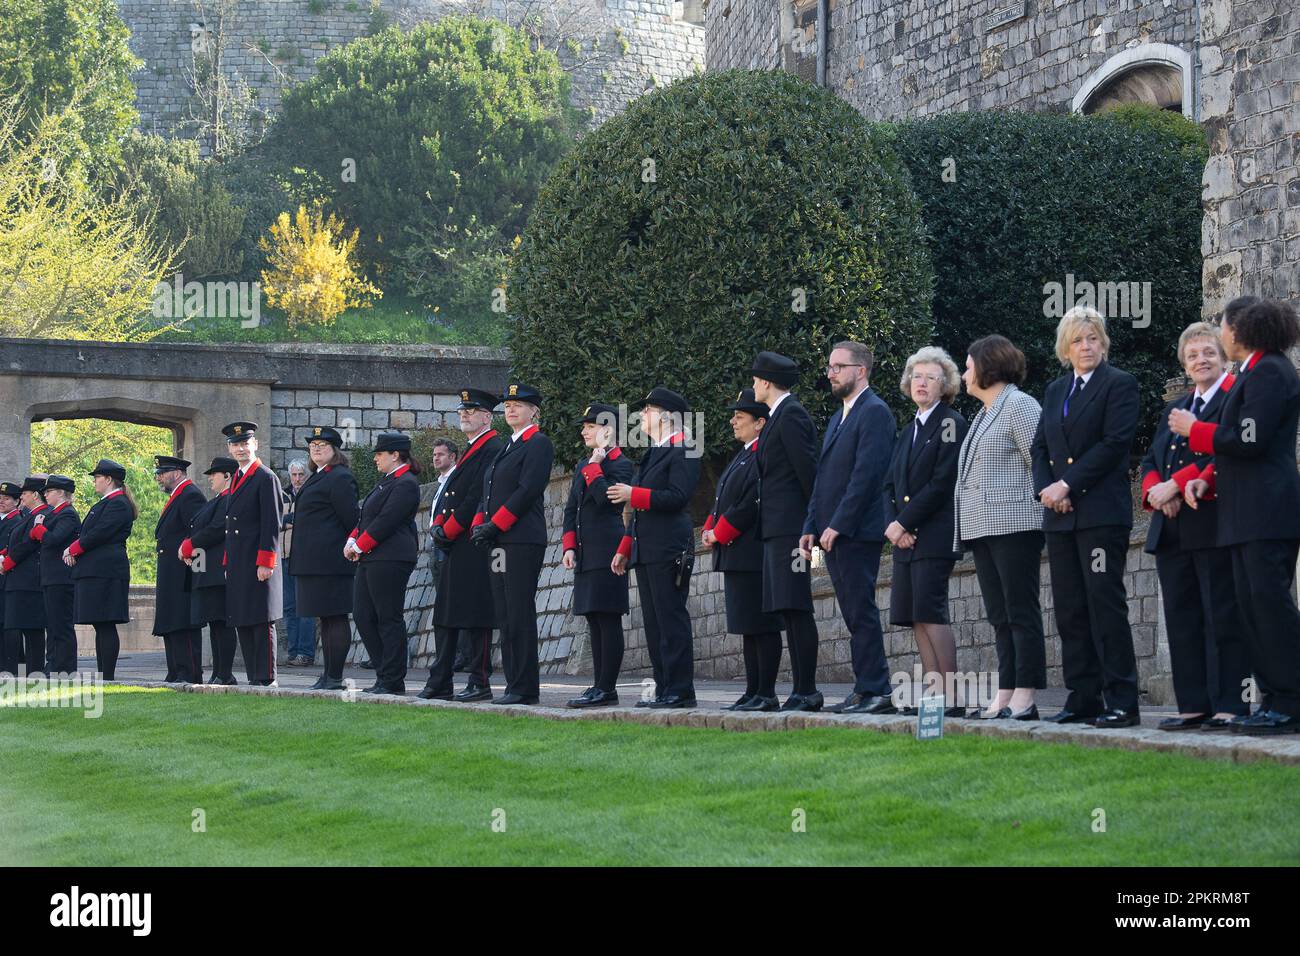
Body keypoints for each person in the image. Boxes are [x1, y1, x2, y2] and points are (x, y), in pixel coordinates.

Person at [1182, 297, 1300, 735]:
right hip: (1244, 512)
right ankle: (1274, 697)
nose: (1221, 333)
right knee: (1251, 609)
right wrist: (1207, 477)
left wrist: (1195, 431)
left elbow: (1250, 438)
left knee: (1270, 607)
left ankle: (1290, 700)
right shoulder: (1252, 371)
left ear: (1241, 329)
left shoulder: (1270, 371)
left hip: (1267, 512)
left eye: (1223, 325)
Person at [1032, 306, 1142, 728]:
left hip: (1099, 515)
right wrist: (1047, 489)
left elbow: (1114, 444)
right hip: (1059, 517)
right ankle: (1083, 697)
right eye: (1078, 340)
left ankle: (1122, 701)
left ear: (1104, 343)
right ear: (1066, 348)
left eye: (1093, 338)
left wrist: (1068, 485)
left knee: (1104, 606)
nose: (1086, 346)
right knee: (1070, 610)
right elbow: (1041, 447)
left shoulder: (1120, 384)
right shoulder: (1055, 391)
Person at [1140, 321, 1249, 731]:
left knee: (1222, 614)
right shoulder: (1174, 408)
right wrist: (1156, 493)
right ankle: (1193, 705)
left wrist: (1176, 485)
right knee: (1182, 617)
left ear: (1222, 357)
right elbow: (1152, 461)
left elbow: (1227, 454)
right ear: (1184, 364)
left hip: (1214, 520)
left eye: (1208, 352)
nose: (1200, 360)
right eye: (1192, 355)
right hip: (1171, 526)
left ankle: (1230, 705)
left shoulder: (1235, 396)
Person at [800, 343, 896, 714]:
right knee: (853, 613)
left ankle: (877, 690)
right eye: (829, 367)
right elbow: (824, 478)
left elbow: (866, 478)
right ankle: (863, 687)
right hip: (832, 532)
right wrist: (811, 524)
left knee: (861, 611)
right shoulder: (839, 416)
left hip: (857, 532)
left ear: (862, 371)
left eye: (839, 366)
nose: (831, 373)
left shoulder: (875, 412)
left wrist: (838, 524)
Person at [954, 336, 1046, 720]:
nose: (963, 373)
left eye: (968, 364)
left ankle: (1026, 693)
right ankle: (1006, 690)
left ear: (986, 365)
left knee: (1020, 610)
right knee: (999, 614)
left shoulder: (1019, 405)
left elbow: (1039, 464)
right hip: (982, 526)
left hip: (1015, 524)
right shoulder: (982, 414)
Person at [883, 347, 969, 716]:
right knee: (914, 614)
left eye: (930, 377)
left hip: (935, 535)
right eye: (917, 376)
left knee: (932, 612)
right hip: (905, 539)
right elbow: (888, 484)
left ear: (945, 385)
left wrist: (904, 522)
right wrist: (894, 526)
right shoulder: (908, 430)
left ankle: (952, 698)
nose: (921, 382)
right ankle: (934, 696)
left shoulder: (951, 422)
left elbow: (941, 483)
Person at [610, 387, 700, 708]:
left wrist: (634, 494)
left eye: (646, 410)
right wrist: (624, 546)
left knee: (670, 617)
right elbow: (638, 510)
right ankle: (664, 686)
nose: (641, 416)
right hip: (647, 547)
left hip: (669, 545)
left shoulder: (686, 447)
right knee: (653, 622)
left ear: (665, 416)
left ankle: (680, 689)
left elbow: (678, 496)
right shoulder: (654, 451)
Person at [747, 351, 823, 712]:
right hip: (775, 530)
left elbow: (808, 473)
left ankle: (806, 689)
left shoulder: (790, 416)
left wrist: (814, 526)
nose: (752, 386)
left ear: (764, 382)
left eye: (754, 380)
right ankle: (794, 689)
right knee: (784, 609)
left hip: (792, 530)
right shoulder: (778, 417)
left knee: (795, 607)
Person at [471, 384, 555, 706]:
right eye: (507, 405)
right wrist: (481, 523)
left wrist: (496, 524)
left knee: (519, 610)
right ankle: (512, 684)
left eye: (518, 404)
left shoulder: (538, 444)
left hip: (520, 539)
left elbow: (527, 490)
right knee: (504, 612)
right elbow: (488, 491)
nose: (510, 409)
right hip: (498, 541)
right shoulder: (507, 446)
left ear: (534, 410)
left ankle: (525, 687)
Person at [703, 389, 783, 711]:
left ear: (760, 422)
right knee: (747, 628)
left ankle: (767, 692)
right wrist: (710, 527)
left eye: (740, 416)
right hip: (736, 553)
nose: (733, 421)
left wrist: (719, 533)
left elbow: (749, 503)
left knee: (762, 626)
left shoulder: (761, 454)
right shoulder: (742, 454)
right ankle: (753, 690)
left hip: (752, 552)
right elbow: (723, 499)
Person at [422, 390, 503, 702]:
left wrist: (450, 528)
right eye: (462, 411)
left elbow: (475, 496)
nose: (465, 414)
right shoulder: (473, 448)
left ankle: (479, 680)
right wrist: (440, 524)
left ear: (487, 416)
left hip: (473, 539)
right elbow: (452, 493)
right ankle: (440, 677)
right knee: (446, 612)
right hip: (457, 540)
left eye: (472, 410)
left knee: (476, 612)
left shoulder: (492, 447)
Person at [562, 402, 635, 708]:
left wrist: (595, 464)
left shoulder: (620, 464)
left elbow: (605, 501)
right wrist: (568, 545)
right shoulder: (583, 465)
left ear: (607, 430)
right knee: (593, 618)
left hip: (608, 550)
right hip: (585, 551)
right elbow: (571, 509)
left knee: (608, 619)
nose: (584, 431)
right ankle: (598, 685)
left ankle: (608, 688)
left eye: (590, 427)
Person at [346, 432, 421, 695]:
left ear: (395, 455)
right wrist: (353, 538)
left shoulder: (406, 483)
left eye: (380, 454)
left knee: (387, 617)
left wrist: (360, 544)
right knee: (364, 615)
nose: (376, 458)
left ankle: (392, 678)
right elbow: (366, 516)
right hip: (373, 556)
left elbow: (387, 520)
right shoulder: (387, 482)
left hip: (391, 556)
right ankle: (383, 673)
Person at [289, 427, 359, 691]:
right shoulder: (318, 476)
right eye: (312, 445)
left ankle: (335, 676)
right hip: (314, 562)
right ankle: (328, 675)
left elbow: (351, 519)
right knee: (325, 620)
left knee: (335, 618)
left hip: (330, 562)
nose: (316, 448)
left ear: (335, 449)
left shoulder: (339, 477)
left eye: (322, 444)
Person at [223, 422, 284, 687]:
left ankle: (266, 677)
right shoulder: (236, 477)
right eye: (236, 444)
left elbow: (272, 522)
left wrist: (266, 561)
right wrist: (228, 561)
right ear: (229, 448)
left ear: (255, 445)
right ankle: (253, 676)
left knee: (260, 619)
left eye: (245, 443)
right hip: (239, 560)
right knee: (243, 618)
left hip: (258, 560)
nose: (240, 448)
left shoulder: (265, 477)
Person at [152, 456, 207, 684]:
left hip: (183, 572)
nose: (158, 478)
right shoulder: (178, 495)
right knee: (170, 621)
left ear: (177, 472)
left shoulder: (190, 495)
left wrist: (196, 572)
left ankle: (189, 672)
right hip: (171, 571)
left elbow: (197, 532)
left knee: (181, 622)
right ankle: (175, 670)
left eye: (162, 473)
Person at [183, 457, 238, 685]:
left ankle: (225, 672)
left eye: (214, 474)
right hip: (206, 569)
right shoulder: (216, 500)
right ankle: (218, 671)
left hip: (218, 569)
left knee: (222, 623)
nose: (210, 478)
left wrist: (190, 544)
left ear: (227, 476)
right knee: (215, 623)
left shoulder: (229, 499)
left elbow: (217, 529)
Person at [32, 475, 80, 674]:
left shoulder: (67, 514)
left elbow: (53, 539)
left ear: (61, 493)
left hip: (61, 578)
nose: (45, 495)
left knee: (61, 624)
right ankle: (52, 663)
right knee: (52, 624)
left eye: (49, 491)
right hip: (50, 577)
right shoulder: (54, 514)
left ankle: (64, 666)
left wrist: (38, 528)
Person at [2, 476, 50, 675]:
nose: (22, 497)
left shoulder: (40, 515)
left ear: (35, 495)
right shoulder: (31, 516)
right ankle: (28, 671)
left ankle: (32, 671)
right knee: (25, 627)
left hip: (29, 578)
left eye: (24, 493)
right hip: (19, 578)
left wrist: (8, 561)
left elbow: (28, 545)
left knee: (31, 630)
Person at [282, 458, 317, 666]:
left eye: (300, 474)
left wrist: (289, 520)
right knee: (289, 607)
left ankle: (306, 653)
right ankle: (293, 652)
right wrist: (291, 520)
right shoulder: (282, 495)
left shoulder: (311, 493)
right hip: (285, 556)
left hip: (304, 557)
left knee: (306, 607)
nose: (297, 479)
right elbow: (275, 521)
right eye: (294, 474)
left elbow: (309, 521)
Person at [0, 481, 26, 675]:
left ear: (17, 501)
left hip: (7, 575)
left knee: (8, 622)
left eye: (7, 498)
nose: (2, 501)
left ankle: (13, 664)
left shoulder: (16, 520)